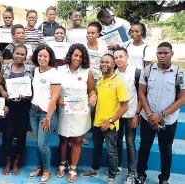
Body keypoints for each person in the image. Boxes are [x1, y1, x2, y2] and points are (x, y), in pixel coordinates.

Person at [136, 42, 185, 184]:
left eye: (166, 53)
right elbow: (142, 93)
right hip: (148, 118)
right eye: (159, 53)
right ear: (156, 54)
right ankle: (141, 175)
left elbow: (182, 99)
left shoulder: (179, 73)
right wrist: (151, 115)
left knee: (166, 150)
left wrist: (161, 116)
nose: (162, 56)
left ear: (172, 54)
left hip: (168, 120)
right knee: (144, 147)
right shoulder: (148, 70)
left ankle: (164, 178)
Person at [79, 54, 129, 184]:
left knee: (112, 152)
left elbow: (124, 107)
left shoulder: (119, 82)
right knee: (96, 148)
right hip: (97, 122)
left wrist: (110, 121)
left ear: (114, 65)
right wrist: (94, 94)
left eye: (107, 62)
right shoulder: (100, 80)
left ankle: (111, 177)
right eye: (102, 62)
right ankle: (94, 170)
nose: (104, 64)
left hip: (110, 125)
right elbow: (95, 93)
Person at [56, 44, 96, 183]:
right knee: (64, 139)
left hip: (80, 112)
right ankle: (62, 164)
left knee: (78, 140)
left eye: (81, 56)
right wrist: (57, 98)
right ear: (70, 55)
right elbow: (53, 88)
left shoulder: (87, 72)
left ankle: (73, 168)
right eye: (75, 55)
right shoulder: (60, 70)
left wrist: (92, 96)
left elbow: (91, 90)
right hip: (64, 110)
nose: (78, 58)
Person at [0, 44, 33, 176]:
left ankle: (17, 162)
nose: (19, 56)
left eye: (22, 54)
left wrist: (27, 95)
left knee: (21, 134)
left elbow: (33, 88)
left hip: (23, 106)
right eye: (17, 53)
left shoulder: (31, 69)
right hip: (9, 106)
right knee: (7, 134)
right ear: (13, 54)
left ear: (25, 56)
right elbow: (0, 83)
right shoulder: (5, 67)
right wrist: (3, 93)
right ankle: (7, 161)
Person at [27, 45, 60, 184]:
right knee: (37, 143)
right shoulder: (35, 70)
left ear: (49, 58)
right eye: (40, 56)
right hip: (33, 111)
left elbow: (54, 97)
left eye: (45, 56)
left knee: (43, 144)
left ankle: (47, 170)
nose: (42, 58)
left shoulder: (54, 73)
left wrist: (48, 117)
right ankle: (39, 168)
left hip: (46, 114)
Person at [114, 47, 141, 184]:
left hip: (131, 114)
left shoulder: (136, 73)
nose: (118, 59)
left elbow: (142, 95)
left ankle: (131, 173)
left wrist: (137, 115)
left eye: (121, 57)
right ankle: (118, 166)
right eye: (116, 57)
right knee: (117, 141)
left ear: (127, 57)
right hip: (117, 115)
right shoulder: (113, 74)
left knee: (130, 143)